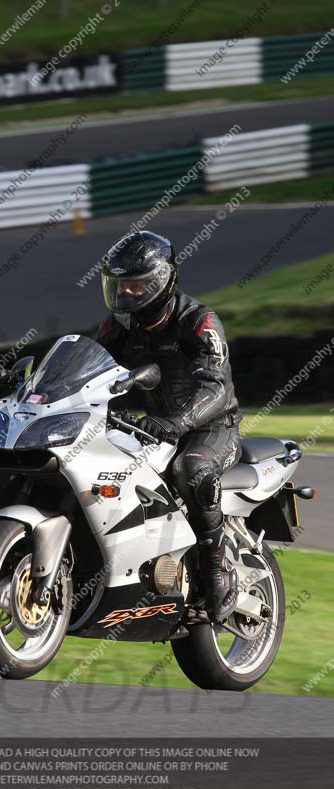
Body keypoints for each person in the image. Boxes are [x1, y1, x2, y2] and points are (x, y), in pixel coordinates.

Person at [95, 230, 243, 622]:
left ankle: (216, 567)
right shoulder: (117, 327)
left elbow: (216, 385)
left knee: (189, 469)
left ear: (160, 282)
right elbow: (93, 372)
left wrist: (178, 421)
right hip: (153, 427)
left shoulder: (198, 321)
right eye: (120, 285)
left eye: (134, 285)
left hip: (211, 428)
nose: (125, 294)